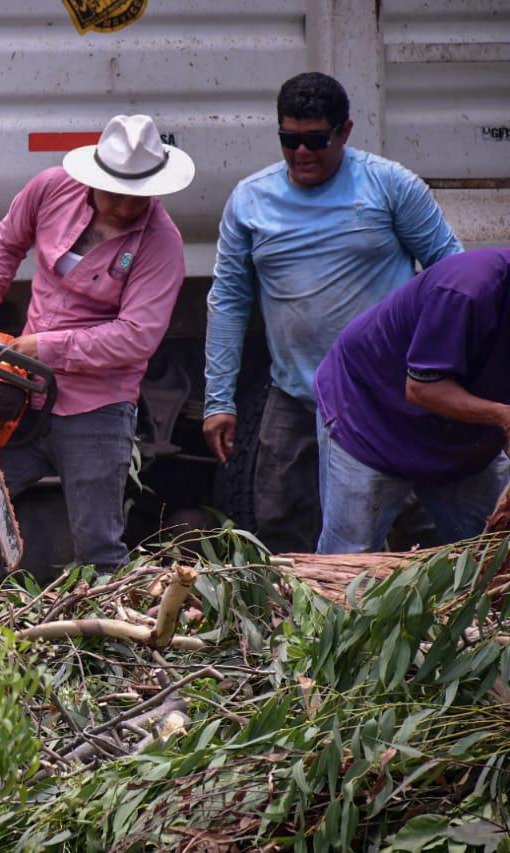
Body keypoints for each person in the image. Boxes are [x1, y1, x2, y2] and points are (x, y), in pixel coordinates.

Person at [202, 72, 462, 553]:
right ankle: (302, 626)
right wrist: (219, 400)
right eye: (290, 140)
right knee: (279, 520)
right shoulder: (250, 201)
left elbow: (454, 276)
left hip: (382, 396)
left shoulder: (390, 187)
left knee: (411, 523)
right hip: (296, 394)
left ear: (344, 131)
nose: (302, 153)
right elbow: (229, 300)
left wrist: (443, 374)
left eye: (317, 140)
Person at [0, 114, 195, 585]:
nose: (123, 205)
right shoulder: (51, 189)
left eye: (135, 195)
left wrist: (43, 346)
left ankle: (108, 646)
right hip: (23, 395)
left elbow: (135, 336)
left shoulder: (161, 244)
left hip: (96, 410)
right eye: (114, 192)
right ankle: (0, 617)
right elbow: (5, 243)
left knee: (98, 550)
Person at [312, 248, 510, 553]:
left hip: (464, 436)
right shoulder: (467, 289)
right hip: (370, 416)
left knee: (492, 555)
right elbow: (422, 389)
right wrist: (502, 416)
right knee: (350, 564)